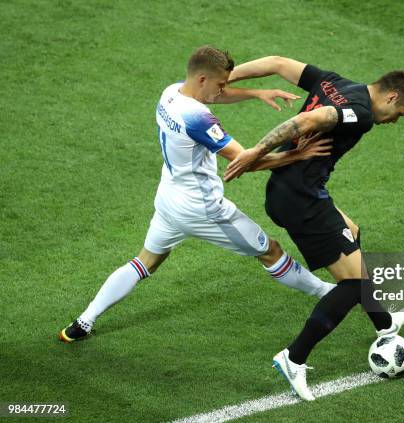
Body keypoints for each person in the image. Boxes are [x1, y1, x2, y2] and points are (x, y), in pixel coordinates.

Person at [59, 46, 337, 343]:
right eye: (220, 84)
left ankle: (82, 322)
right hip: (202, 209)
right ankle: (330, 293)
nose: (223, 90)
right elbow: (246, 160)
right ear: (202, 78)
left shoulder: (171, 93)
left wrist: (256, 93)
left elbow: (216, 96)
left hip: (168, 199)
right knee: (270, 251)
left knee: (144, 262)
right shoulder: (198, 117)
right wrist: (297, 155)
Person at [224, 56, 404, 400]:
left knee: (352, 232)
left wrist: (226, 78)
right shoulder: (360, 113)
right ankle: (294, 357)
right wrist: (255, 151)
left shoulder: (336, 83)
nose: (394, 122)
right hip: (302, 200)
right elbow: (307, 120)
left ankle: (385, 325)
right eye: (399, 114)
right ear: (391, 98)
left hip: (293, 190)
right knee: (353, 281)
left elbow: (276, 62)